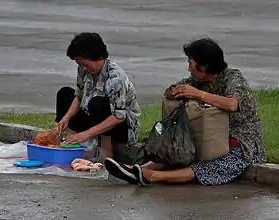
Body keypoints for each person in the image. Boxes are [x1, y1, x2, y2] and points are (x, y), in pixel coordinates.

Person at [104, 38, 267, 186]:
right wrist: (176, 92)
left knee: (213, 165)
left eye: (191, 63)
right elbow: (170, 91)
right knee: (175, 146)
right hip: (207, 136)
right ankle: (136, 169)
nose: (188, 68)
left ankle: (152, 176)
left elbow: (232, 104)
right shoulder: (197, 81)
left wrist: (198, 95)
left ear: (204, 67)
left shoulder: (233, 78)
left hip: (241, 142)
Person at [55, 32, 141, 160]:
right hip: (92, 118)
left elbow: (119, 116)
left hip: (119, 127)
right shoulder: (84, 71)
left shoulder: (116, 78)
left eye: (85, 63)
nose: (83, 68)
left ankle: (106, 154)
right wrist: (66, 118)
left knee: (98, 103)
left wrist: (86, 134)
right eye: (80, 64)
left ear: (97, 57)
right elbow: (79, 96)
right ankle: (71, 143)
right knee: (65, 94)